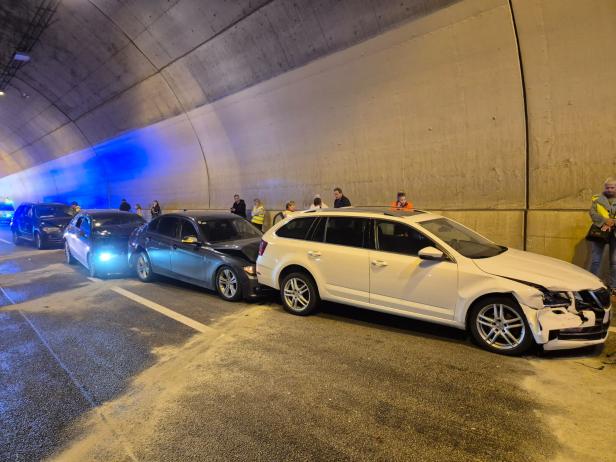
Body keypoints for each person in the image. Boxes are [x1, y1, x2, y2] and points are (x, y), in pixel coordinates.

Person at [588, 177, 616, 293]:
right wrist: (605, 220)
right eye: (607, 187)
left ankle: (613, 286)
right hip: (600, 232)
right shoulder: (597, 199)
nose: (609, 190)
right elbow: (592, 213)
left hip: (614, 233)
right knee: (595, 260)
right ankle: (590, 284)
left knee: (614, 262)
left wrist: (613, 222)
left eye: (612, 187)